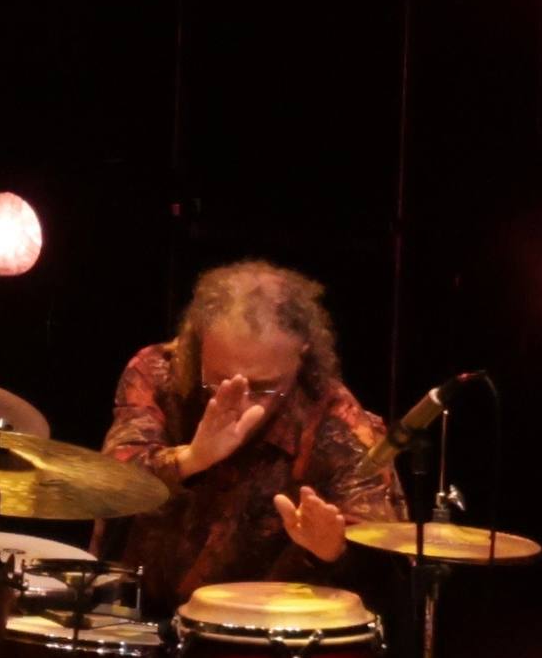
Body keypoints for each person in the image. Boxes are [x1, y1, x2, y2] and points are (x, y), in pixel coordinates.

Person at [99, 259, 409, 615]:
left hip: (252, 642)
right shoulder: (157, 372)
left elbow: (387, 557)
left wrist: (332, 549)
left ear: (301, 355)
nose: (241, 403)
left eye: (264, 387)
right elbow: (108, 484)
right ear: (198, 344)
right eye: (219, 381)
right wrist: (193, 458)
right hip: (134, 615)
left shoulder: (337, 420)